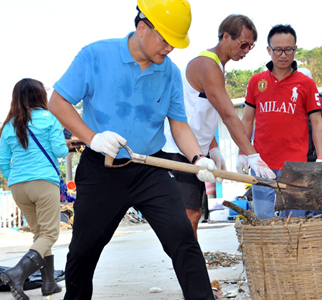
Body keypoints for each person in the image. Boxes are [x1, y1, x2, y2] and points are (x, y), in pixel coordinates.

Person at [48, 1, 217, 299]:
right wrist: (92, 138)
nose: (169, 49)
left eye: (174, 44)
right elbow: (57, 101)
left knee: (182, 238)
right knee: (83, 251)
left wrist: (197, 157)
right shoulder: (96, 55)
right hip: (101, 170)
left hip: (150, 168)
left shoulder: (170, 73)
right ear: (142, 28)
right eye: (165, 40)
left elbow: (178, 125)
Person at [163, 14, 275, 237]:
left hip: (198, 150)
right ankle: (188, 265)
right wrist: (251, 154)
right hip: (179, 149)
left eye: (250, 47)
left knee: (194, 213)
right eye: (243, 44)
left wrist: (213, 147)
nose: (245, 51)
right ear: (226, 37)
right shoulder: (208, 65)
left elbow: (202, 113)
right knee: (189, 214)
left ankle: (189, 262)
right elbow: (228, 115)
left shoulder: (218, 67)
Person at [240, 24, 322, 219]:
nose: (283, 55)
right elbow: (247, 120)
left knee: (294, 224)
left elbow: (318, 122)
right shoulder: (256, 81)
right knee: (263, 221)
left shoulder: (306, 83)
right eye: (277, 50)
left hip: (296, 166)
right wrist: (242, 153)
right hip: (262, 163)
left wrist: (320, 159)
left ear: (295, 49)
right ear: (268, 50)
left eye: (288, 49)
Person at [0, 78, 69, 300]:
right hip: (43, 182)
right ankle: (17, 273)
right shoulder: (50, 119)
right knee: (50, 233)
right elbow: (60, 151)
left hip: (18, 186)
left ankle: (49, 283)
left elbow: (3, 161)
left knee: (39, 233)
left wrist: (15, 178)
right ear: (40, 96)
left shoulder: (9, 124)